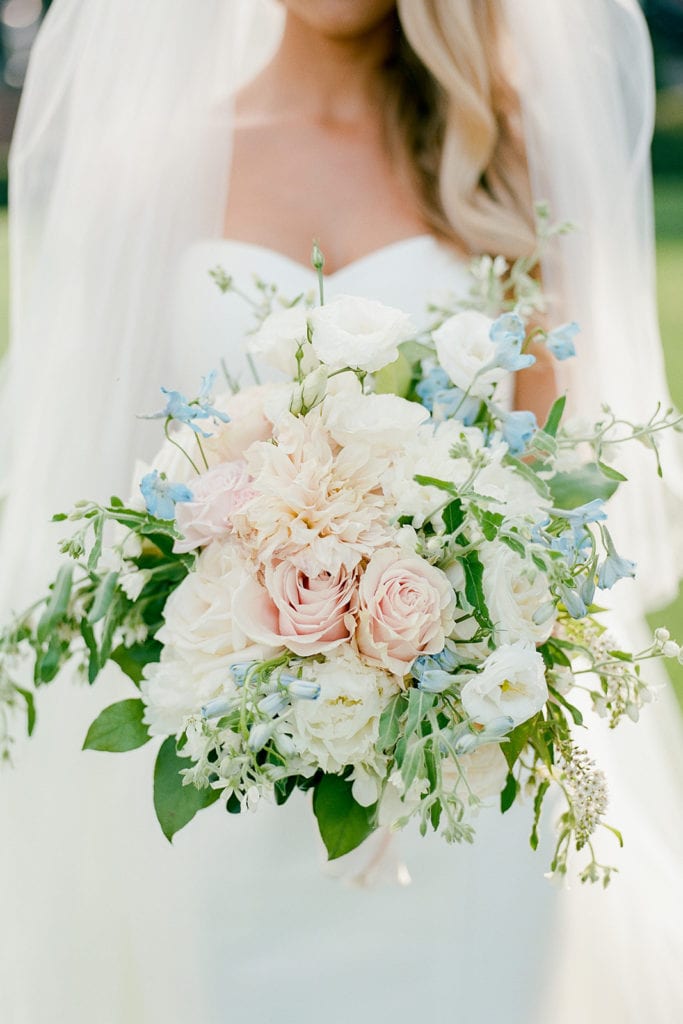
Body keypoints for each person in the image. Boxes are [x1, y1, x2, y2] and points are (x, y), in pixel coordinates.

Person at [1, 1, 682, 1022]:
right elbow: (100, 504)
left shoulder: (504, 166)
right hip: (228, 804)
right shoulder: (150, 167)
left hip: (460, 798)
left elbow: (550, 497)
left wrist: (421, 625)